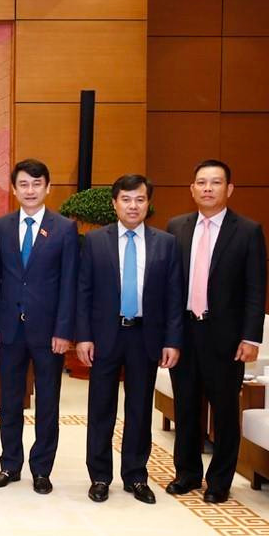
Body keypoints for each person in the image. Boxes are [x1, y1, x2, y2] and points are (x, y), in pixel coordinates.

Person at [76, 175, 183, 505]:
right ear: (114, 203)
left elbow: (174, 296)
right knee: (101, 408)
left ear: (148, 203)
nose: (132, 206)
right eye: (126, 199)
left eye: (139, 199)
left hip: (145, 335)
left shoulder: (166, 243)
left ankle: (136, 475)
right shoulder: (94, 241)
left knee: (139, 409)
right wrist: (83, 337)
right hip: (106, 335)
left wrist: (173, 340)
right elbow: (83, 292)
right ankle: (100, 476)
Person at [165, 159, 267, 504]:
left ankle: (219, 481)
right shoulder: (176, 227)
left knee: (224, 412)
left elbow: (256, 289)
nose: (207, 188)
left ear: (229, 189)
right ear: (192, 189)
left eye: (215, 182)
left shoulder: (248, 231)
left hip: (225, 337)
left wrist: (251, 337)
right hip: (185, 333)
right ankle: (188, 474)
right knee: (187, 407)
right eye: (201, 182)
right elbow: (169, 286)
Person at [0, 159, 77, 495]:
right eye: (23, 184)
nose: (30, 190)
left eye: (36, 184)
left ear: (47, 187)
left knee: (48, 402)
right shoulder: (1, 226)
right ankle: (9, 465)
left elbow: (70, 282)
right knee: (9, 401)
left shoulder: (64, 228)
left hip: (48, 332)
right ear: (13, 189)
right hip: (9, 329)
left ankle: (42, 469)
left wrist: (64, 331)